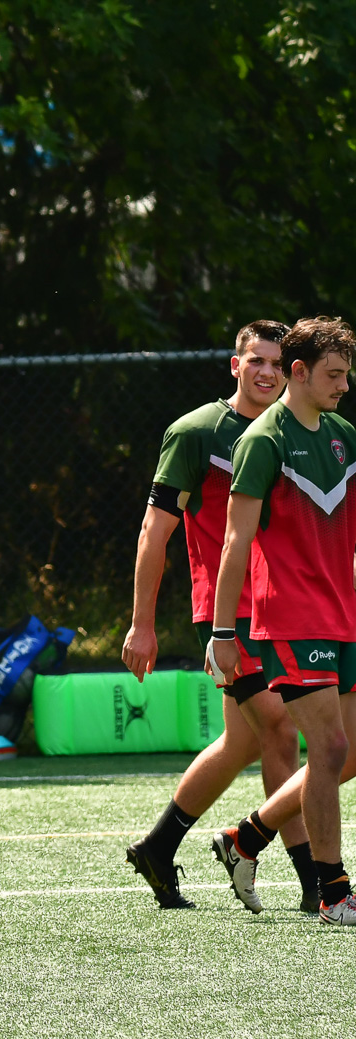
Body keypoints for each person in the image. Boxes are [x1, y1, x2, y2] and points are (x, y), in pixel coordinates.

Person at [121, 321, 309, 910]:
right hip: (230, 618)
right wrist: (142, 623)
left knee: (241, 743)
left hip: (288, 609)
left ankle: (157, 846)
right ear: (235, 365)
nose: (267, 372)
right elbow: (155, 532)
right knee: (281, 729)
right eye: (257, 360)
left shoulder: (299, 431)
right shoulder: (198, 432)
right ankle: (317, 883)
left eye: (278, 364)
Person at [209, 316, 356, 923]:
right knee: (328, 748)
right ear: (300, 372)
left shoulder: (344, 434)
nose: (344, 385)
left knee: (350, 755)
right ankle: (333, 891)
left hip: (343, 612)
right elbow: (235, 542)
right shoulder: (262, 441)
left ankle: (245, 837)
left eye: (346, 375)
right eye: (333, 375)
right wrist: (221, 633)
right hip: (291, 616)